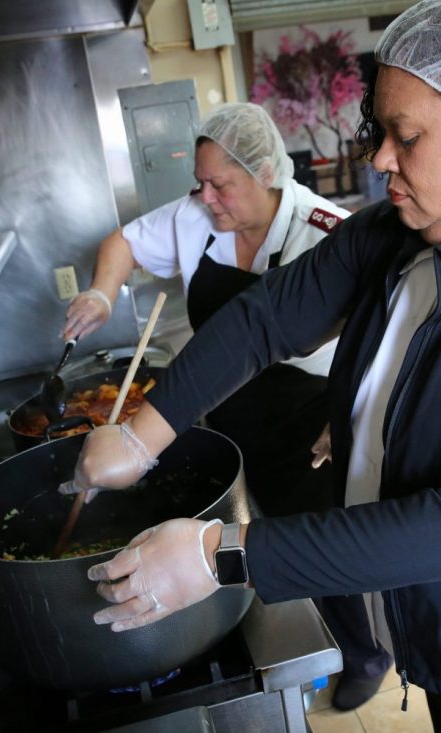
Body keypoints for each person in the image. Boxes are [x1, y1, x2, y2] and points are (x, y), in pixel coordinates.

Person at [64, 1, 441, 730]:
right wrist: (138, 433)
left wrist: (218, 554)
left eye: (406, 136)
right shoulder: (396, 232)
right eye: (378, 131)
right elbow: (263, 318)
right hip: (402, 584)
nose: (380, 158)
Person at [60, 102, 393, 709]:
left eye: (222, 184)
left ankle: (366, 655)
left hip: (310, 420)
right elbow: (124, 242)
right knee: (253, 530)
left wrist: (344, 412)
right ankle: (298, 630)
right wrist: (104, 294)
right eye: (201, 182)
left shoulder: (326, 229)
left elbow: (386, 331)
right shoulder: (195, 217)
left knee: (318, 538)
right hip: (234, 413)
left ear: (266, 172)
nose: (206, 197)